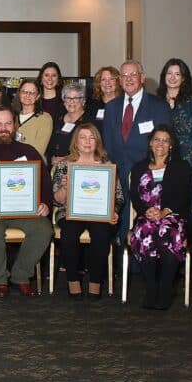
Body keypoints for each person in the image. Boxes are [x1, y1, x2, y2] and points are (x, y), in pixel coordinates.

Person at [0, 107, 53, 298]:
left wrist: (45, 203)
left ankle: (21, 276)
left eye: (7, 123)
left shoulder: (29, 151)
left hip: (23, 208)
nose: (3, 128)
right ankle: (0, 279)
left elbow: (45, 183)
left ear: (15, 125)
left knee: (44, 229)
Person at [51, 123, 123, 299]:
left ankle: (95, 282)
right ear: (76, 141)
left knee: (101, 234)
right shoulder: (64, 165)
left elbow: (118, 196)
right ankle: (73, 281)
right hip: (69, 211)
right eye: (83, 137)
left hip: (99, 212)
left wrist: (114, 211)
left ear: (97, 141)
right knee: (69, 235)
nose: (87, 141)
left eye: (92, 137)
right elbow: (56, 199)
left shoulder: (107, 164)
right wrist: (66, 188)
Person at [103, 60, 172, 239]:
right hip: (118, 174)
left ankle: (140, 263)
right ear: (119, 80)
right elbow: (107, 143)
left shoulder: (159, 107)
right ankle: (121, 261)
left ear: (142, 78)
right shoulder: (111, 108)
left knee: (145, 226)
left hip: (148, 176)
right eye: (124, 75)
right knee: (119, 223)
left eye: (133, 74)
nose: (129, 79)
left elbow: (165, 144)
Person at [157, 58, 192, 268]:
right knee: (165, 206)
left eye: (177, 74)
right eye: (169, 73)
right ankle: (167, 254)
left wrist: (189, 152)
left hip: (189, 164)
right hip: (163, 163)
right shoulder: (156, 100)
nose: (172, 77)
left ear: (184, 78)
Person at [129, 126, 192, 309]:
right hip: (146, 216)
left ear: (171, 145)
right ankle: (151, 287)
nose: (160, 144)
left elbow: (185, 196)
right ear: (150, 143)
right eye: (157, 139)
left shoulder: (181, 167)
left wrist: (164, 211)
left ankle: (165, 288)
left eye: (165, 140)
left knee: (167, 232)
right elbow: (134, 195)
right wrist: (145, 211)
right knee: (145, 232)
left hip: (173, 215)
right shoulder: (139, 167)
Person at [45, 81, 91, 164]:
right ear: (64, 101)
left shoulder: (89, 122)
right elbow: (49, 144)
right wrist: (51, 158)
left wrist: (66, 159)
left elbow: (91, 149)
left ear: (83, 101)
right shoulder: (57, 118)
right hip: (54, 168)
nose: (71, 101)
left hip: (77, 167)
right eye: (68, 98)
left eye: (76, 98)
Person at [14, 79, 53, 160]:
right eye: (24, 91)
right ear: (19, 94)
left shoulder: (45, 118)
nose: (27, 95)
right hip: (10, 165)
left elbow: (38, 151)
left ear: (38, 96)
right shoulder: (12, 117)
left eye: (32, 93)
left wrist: (15, 163)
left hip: (33, 166)